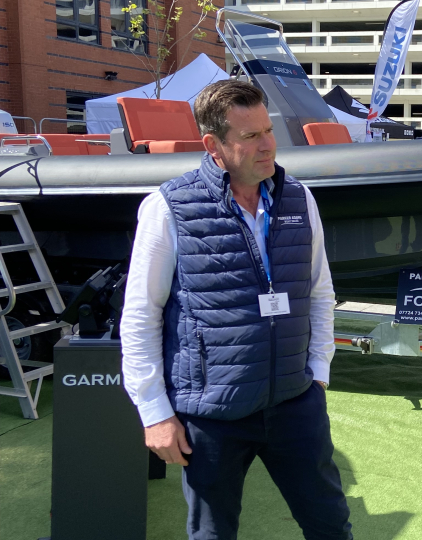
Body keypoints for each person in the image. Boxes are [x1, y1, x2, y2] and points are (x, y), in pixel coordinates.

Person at [121, 80, 353, 540]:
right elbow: (140, 316)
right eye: (250, 137)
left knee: (331, 526)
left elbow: (320, 292)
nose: (268, 145)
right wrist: (154, 413)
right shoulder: (168, 208)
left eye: (268, 130)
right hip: (211, 416)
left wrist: (318, 371)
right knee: (212, 534)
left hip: (294, 404)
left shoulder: (299, 199)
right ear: (214, 145)